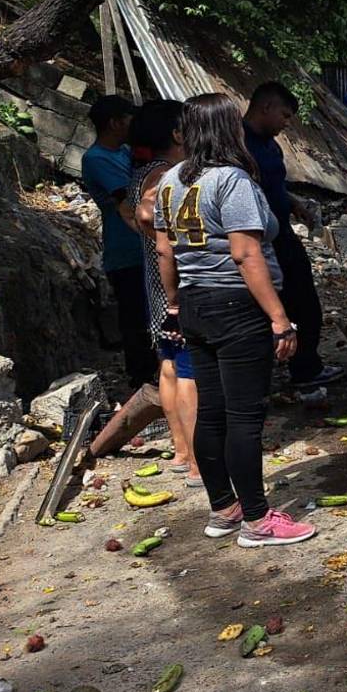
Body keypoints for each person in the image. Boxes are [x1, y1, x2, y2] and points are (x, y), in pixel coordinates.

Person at [155, 93, 316, 548]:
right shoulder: (232, 180)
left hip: (193, 303)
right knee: (245, 416)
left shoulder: (170, 181)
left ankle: (223, 508)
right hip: (236, 306)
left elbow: (165, 249)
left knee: (213, 411)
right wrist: (280, 319)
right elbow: (246, 253)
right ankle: (258, 520)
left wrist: (173, 305)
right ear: (229, 130)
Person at [243, 82, 342, 389]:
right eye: (284, 115)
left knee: (305, 302)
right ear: (266, 107)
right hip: (255, 240)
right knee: (271, 307)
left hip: (282, 233)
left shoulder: (270, 145)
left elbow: (275, 184)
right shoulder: (239, 145)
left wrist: (295, 204)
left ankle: (305, 367)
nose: (287, 123)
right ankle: (276, 373)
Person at [129, 101, 200, 487]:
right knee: (183, 367)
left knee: (169, 365)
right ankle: (192, 456)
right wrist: (173, 239)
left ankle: (180, 450)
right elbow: (143, 211)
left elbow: (134, 212)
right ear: (176, 134)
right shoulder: (165, 172)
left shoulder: (142, 169)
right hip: (169, 284)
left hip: (157, 283)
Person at [82, 95, 155, 388]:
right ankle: (142, 382)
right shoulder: (96, 158)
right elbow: (128, 201)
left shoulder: (126, 151)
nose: (132, 124)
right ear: (114, 122)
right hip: (126, 251)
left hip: (142, 248)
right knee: (136, 320)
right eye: (128, 119)